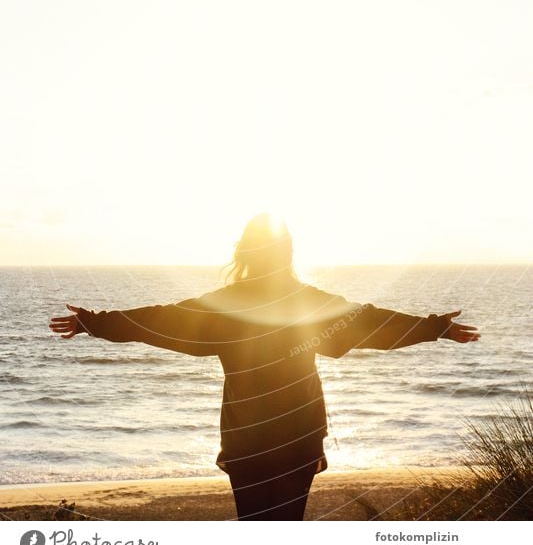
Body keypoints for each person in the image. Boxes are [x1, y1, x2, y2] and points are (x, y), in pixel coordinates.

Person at [49, 213, 480, 520]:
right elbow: (369, 322)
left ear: (246, 252)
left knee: (256, 528)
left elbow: (159, 320)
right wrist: (433, 328)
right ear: (288, 252)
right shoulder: (310, 302)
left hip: (248, 434)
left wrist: (93, 322)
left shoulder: (224, 306)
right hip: (297, 432)